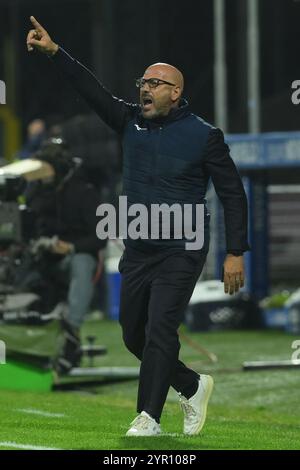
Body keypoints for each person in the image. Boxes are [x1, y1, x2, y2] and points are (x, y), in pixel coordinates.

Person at [27, 16, 250, 436]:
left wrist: (235, 252)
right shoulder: (129, 121)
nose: (144, 88)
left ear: (175, 92)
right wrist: (56, 53)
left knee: (160, 329)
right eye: (142, 81)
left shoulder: (205, 136)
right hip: (140, 249)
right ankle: (192, 384)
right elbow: (90, 89)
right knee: (134, 336)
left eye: (154, 83)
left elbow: (233, 194)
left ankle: (148, 417)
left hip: (182, 248)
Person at [26, 138, 106, 374]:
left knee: (81, 263)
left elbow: (100, 237)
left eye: (46, 166)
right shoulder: (36, 192)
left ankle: (71, 335)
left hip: (75, 257)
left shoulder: (84, 193)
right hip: (43, 258)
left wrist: (69, 247)